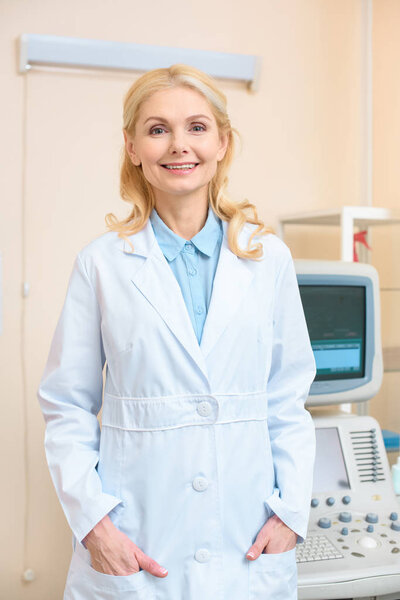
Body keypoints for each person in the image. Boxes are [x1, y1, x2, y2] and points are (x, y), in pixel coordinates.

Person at [37, 63, 316, 600]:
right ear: (133, 147)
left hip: (247, 546)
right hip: (139, 545)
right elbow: (66, 405)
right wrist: (97, 527)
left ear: (222, 143)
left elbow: (289, 401)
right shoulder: (102, 265)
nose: (178, 145)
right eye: (157, 129)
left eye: (196, 127)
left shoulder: (268, 259)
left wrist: (289, 515)